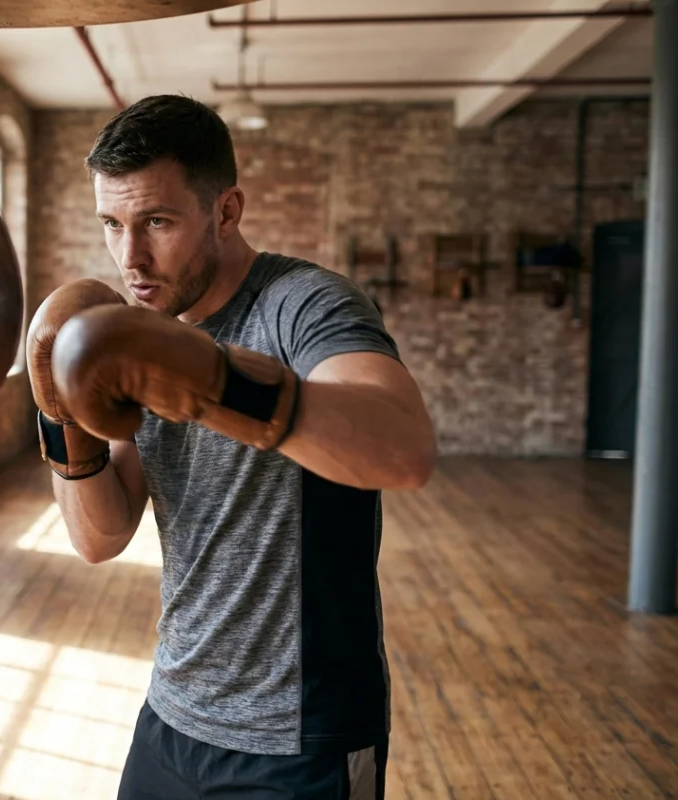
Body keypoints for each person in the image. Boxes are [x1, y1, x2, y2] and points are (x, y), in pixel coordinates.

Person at [25, 94, 437, 799]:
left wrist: (212, 383)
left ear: (226, 210)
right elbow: (100, 536)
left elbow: (404, 449)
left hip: (299, 737)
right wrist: (61, 417)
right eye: (112, 224)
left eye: (157, 222)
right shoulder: (145, 333)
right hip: (173, 713)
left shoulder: (304, 304)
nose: (131, 257)